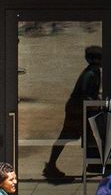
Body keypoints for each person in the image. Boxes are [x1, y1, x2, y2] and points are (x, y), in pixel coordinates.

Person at [41, 47, 101, 182]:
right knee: (67, 135)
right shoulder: (90, 73)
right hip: (77, 109)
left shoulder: (95, 72)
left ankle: (93, 164)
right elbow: (85, 94)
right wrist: (95, 102)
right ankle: (51, 165)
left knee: (88, 135)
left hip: (82, 108)